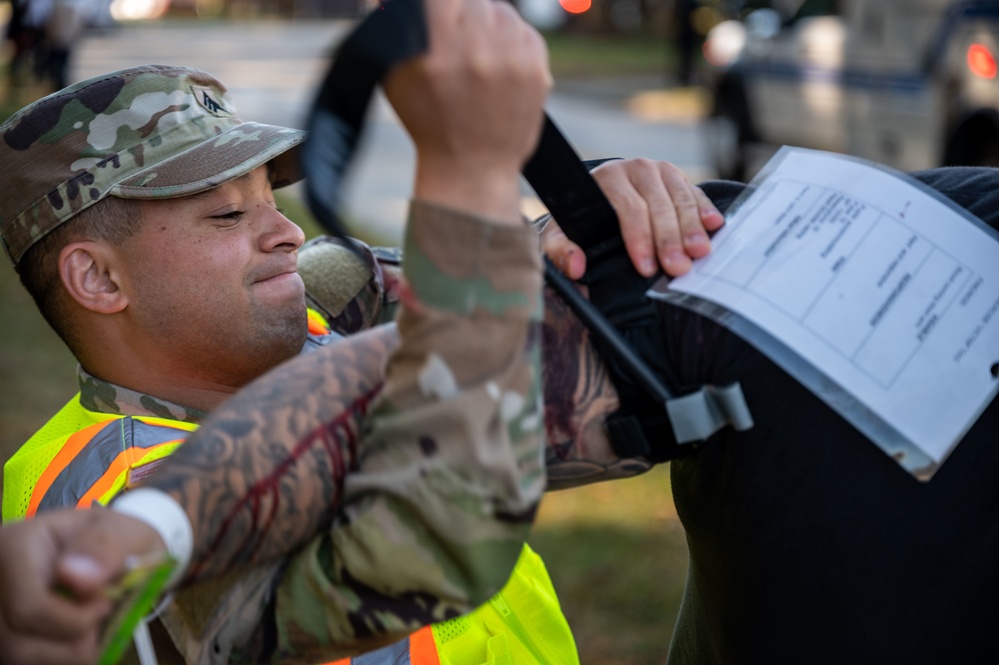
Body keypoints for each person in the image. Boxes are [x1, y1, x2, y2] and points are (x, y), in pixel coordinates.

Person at [0, 3, 722, 664]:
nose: (285, 233)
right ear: (98, 279)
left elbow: (512, 314)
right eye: (226, 216)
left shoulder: (307, 313)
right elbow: (429, 536)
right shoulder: (106, 526)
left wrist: (588, 218)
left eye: (267, 201)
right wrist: (466, 169)